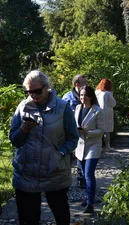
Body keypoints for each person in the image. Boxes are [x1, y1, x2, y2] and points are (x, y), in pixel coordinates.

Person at [9, 70, 79, 225]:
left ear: (47, 87)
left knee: (61, 215)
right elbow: (14, 139)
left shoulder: (62, 107)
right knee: (28, 219)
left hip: (54, 171)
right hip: (26, 173)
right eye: (28, 92)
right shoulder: (22, 107)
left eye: (37, 91)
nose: (33, 95)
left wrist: (60, 153)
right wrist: (23, 130)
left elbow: (73, 137)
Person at [74, 86, 104, 213]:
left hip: (93, 145)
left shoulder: (98, 111)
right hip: (80, 146)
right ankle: (87, 198)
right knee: (83, 176)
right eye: (81, 95)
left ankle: (90, 203)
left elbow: (101, 130)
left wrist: (87, 132)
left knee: (88, 174)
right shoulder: (77, 108)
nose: (82, 98)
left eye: (85, 95)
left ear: (91, 96)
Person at [62, 74, 87, 189]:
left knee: (81, 156)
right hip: (68, 133)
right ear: (77, 85)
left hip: (82, 132)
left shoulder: (86, 96)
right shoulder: (67, 98)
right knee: (68, 157)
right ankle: (64, 181)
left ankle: (81, 179)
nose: (86, 85)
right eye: (84, 83)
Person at [95, 78, 116, 151]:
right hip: (107, 113)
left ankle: (99, 147)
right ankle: (107, 146)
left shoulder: (96, 92)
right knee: (107, 132)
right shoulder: (108, 93)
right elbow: (113, 104)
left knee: (99, 131)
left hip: (97, 112)